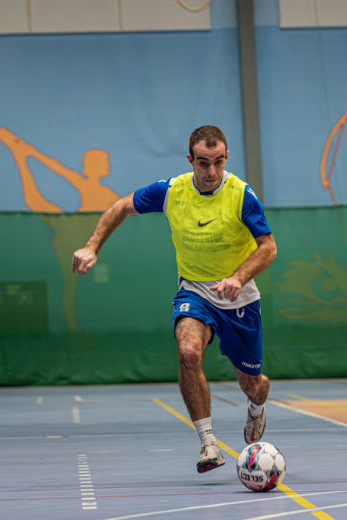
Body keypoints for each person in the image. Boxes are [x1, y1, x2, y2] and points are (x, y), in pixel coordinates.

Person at [72, 126, 277, 473]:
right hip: (195, 290)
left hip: (239, 298)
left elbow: (268, 247)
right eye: (202, 162)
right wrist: (92, 246)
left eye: (218, 162)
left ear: (226, 157)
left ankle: (256, 407)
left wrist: (238, 277)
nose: (211, 171)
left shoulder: (242, 195)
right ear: (190, 160)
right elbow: (121, 206)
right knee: (187, 352)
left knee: (252, 384)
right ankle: (209, 444)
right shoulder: (172, 191)